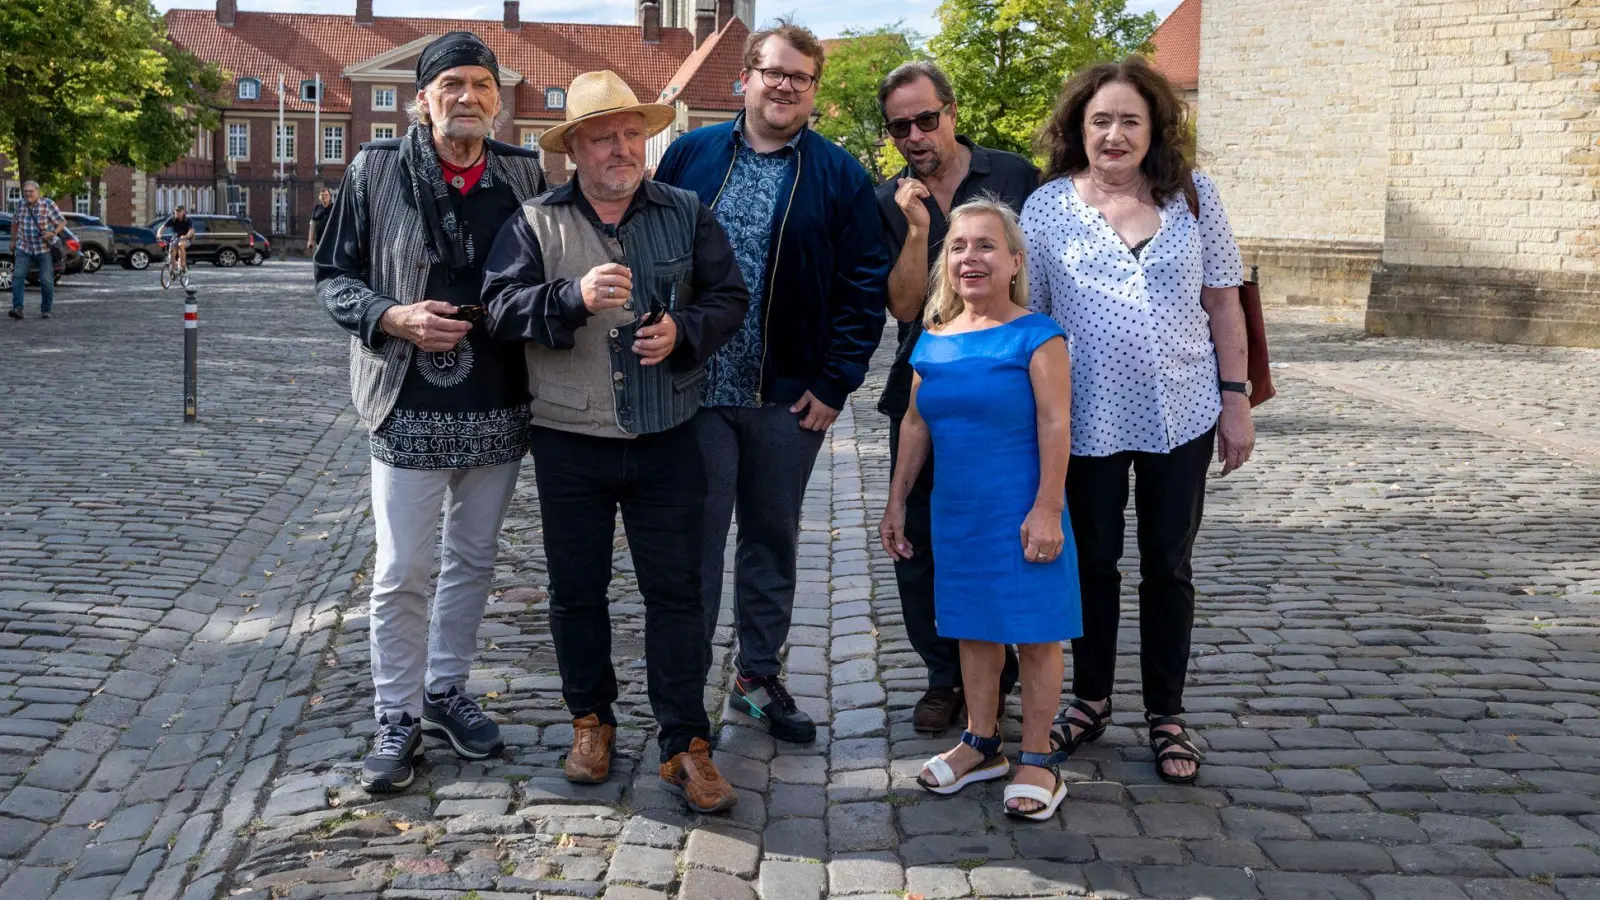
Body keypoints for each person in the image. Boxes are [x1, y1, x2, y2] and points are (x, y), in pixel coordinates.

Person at [482, 70, 750, 813]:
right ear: (574, 150)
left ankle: (683, 743)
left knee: (677, 593)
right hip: (570, 438)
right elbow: (499, 309)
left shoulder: (686, 211)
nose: (622, 148)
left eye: (632, 133)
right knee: (577, 593)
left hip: (667, 435)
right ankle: (591, 721)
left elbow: (729, 297)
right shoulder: (535, 221)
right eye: (604, 137)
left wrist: (685, 333)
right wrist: (568, 298)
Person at [315, 31, 548, 793]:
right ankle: (397, 714)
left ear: (497, 99)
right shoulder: (375, 169)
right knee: (404, 568)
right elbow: (333, 276)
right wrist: (391, 316)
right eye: (451, 85)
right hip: (404, 400)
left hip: (497, 401)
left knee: (474, 562)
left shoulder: (522, 171)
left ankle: (445, 691)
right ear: (423, 99)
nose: (468, 98)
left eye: (482, 85)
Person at [653, 19, 889, 744]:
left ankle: (757, 675)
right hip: (694, 391)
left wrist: (836, 379)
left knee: (770, 538)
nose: (784, 85)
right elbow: (650, 251)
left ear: (813, 89)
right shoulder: (690, 155)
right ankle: (683, 690)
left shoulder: (840, 175)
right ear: (746, 79)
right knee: (695, 543)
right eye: (773, 72)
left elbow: (864, 287)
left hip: (787, 398)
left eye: (800, 77)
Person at [1023, 56, 1255, 785]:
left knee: (1169, 566)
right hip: (1082, 417)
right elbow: (1031, 317)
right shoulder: (1048, 207)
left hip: (1182, 411)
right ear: (1077, 130)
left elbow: (1224, 301)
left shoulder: (1193, 197)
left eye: (1129, 120)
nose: (1114, 134)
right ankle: (1090, 698)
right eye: (1100, 121)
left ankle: (1166, 713)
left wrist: (1236, 399)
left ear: (1154, 129)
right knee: (1090, 564)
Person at [879, 198, 1079, 820]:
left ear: (1014, 261)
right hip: (957, 511)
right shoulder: (933, 339)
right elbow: (914, 424)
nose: (971, 257)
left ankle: (1039, 758)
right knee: (973, 628)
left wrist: (1048, 507)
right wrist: (896, 500)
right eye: (960, 246)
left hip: (1022, 506)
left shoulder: (1037, 334)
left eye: (986, 245)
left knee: (1037, 632)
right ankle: (982, 743)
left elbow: (1056, 421)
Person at [874, 61, 1041, 733]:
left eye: (926, 118)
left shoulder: (1014, 176)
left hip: (1010, 386)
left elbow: (1041, 276)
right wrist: (915, 232)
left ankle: (1008, 673)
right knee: (918, 535)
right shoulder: (888, 198)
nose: (916, 134)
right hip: (928, 384)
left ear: (952, 110)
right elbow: (906, 305)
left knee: (1011, 526)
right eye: (900, 126)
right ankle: (945, 676)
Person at [8, 181, 64, 321]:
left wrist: (53, 233)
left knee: (46, 281)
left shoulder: (48, 204)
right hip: (24, 247)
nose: (28, 194)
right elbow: (15, 222)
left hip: (43, 249)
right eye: (26, 191)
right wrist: (13, 240)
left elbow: (62, 222)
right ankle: (18, 308)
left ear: (38, 192)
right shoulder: (21, 204)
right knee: (18, 277)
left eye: (31, 191)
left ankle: (46, 310)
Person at [163, 206, 194, 274]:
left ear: (183, 212)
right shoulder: (172, 219)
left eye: (179, 211)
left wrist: (186, 236)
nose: (177, 213)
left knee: (180, 244)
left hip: (186, 238)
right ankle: (174, 270)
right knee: (171, 254)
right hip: (176, 238)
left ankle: (182, 264)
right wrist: (159, 233)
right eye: (176, 211)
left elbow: (191, 230)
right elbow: (163, 227)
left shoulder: (188, 219)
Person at [308, 187, 333, 253]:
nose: (324, 196)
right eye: (322, 195)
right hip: (319, 242)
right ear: (319, 197)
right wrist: (310, 240)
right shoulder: (316, 208)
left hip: (332, 242)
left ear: (330, 197)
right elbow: (312, 224)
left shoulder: (334, 208)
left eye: (326, 195)